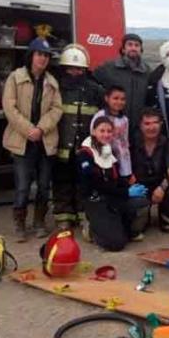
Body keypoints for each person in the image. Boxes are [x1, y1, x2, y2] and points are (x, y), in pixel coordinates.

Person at [2, 37, 62, 241]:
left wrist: (41, 129)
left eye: (46, 55)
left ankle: (39, 222)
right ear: (31, 56)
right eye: (39, 54)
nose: (43, 59)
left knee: (44, 186)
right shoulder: (15, 78)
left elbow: (57, 109)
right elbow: (9, 107)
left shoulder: (52, 83)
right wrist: (29, 130)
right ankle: (20, 224)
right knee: (22, 186)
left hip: (45, 142)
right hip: (22, 141)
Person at [52, 43, 103, 232]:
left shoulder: (95, 90)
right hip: (62, 145)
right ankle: (63, 217)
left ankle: (83, 215)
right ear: (64, 68)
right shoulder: (56, 88)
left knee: (84, 182)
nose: (74, 72)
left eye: (79, 69)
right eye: (71, 68)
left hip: (85, 147)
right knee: (62, 181)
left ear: (85, 69)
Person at [78, 116, 149, 251]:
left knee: (142, 200)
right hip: (95, 200)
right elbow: (96, 184)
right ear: (93, 132)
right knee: (116, 244)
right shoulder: (84, 155)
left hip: (111, 198)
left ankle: (123, 228)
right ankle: (91, 229)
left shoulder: (109, 152)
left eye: (109, 131)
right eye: (102, 131)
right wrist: (126, 192)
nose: (106, 134)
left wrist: (130, 186)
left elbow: (114, 179)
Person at [131, 108, 169, 232]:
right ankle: (144, 216)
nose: (151, 127)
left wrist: (162, 188)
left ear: (161, 124)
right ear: (140, 125)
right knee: (138, 228)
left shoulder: (167, 143)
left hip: (160, 184)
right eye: (147, 124)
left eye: (155, 123)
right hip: (139, 185)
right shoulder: (131, 143)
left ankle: (167, 219)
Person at [93, 33, 150, 133]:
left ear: (141, 50)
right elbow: (92, 83)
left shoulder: (147, 72)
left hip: (138, 127)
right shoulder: (109, 68)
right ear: (123, 49)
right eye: (130, 44)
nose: (133, 48)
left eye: (137, 45)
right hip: (113, 125)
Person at [92, 86, 132, 178]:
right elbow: (93, 139)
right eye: (115, 98)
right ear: (107, 98)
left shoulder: (125, 120)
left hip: (121, 161)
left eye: (122, 99)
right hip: (103, 160)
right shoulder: (100, 116)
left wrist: (128, 170)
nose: (119, 102)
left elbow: (124, 144)